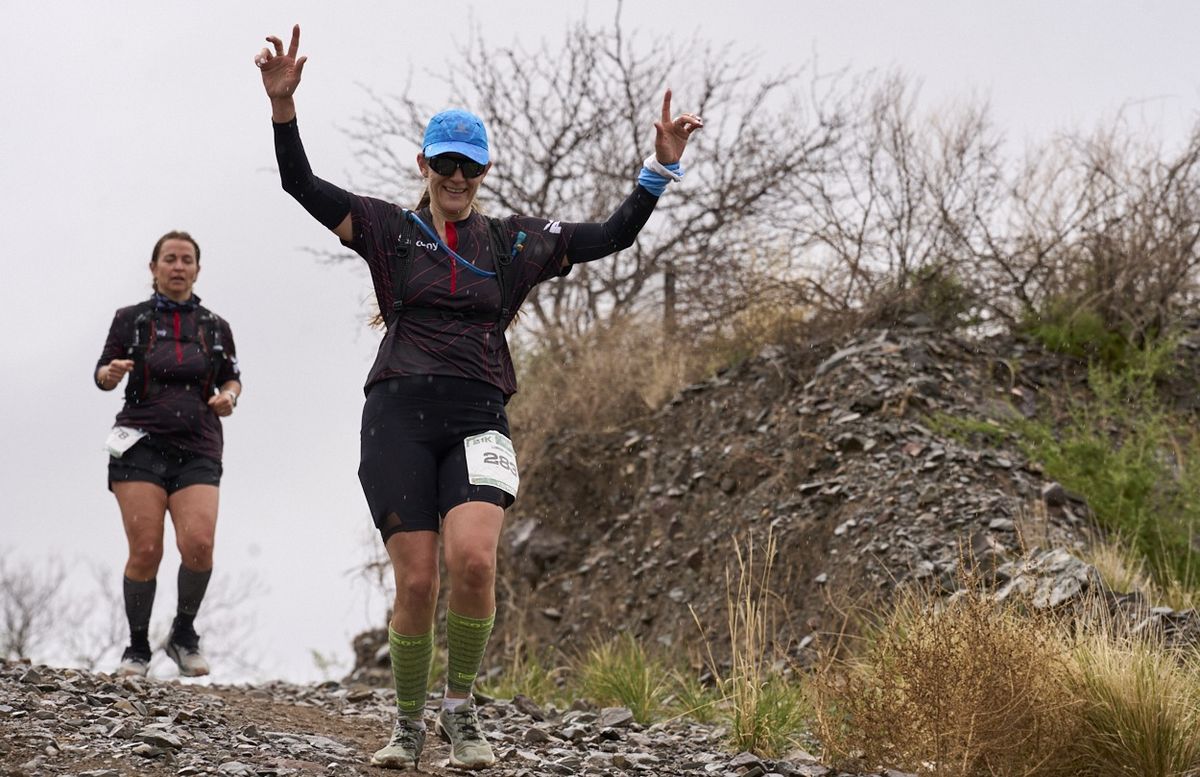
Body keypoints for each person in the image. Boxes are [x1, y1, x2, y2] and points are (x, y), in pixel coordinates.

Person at [255, 24, 701, 770]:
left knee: (475, 564)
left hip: (477, 418)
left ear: (485, 171)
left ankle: (459, 712)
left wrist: (658, 171)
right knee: (420, 577)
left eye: (469, 168)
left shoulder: (515, 243)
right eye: (445, 165)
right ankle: (406, 725)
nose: (456, 178)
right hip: (396, 416)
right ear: (424, 164)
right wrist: (283, 109)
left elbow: (611, 236)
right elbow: (301, 185)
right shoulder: (388, 230)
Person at [94, 230, 242, 678]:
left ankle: (183, 634)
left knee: (199, 545)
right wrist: (112, 371)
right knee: (146, 549)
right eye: (170, 259)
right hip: (139, 445)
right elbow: (101, 375)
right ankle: (137, 648)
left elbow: (232, 378)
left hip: (198, 445)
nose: (178, 267)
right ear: (153, 267)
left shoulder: (215, 326)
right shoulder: (130, 320)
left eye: (187, 260)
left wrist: (229, 398)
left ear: (198, 269)